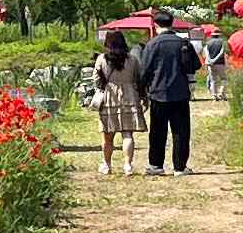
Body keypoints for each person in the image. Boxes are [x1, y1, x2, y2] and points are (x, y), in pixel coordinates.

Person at [136, 13, 204, 174]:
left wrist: (141, 92)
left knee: (157, 131)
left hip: (158, 93)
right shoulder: (183, 43)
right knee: (181, 131)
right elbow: (195, 65)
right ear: (171, 24)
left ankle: (156, 165)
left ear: (156, 25)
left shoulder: (152, 44)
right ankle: (179, 167)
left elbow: (144, 71)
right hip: (180, 93)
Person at [84, 23, 146, 175]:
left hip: (109, 97)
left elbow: (96, 80)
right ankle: (127, 165)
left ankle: (106, 164)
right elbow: (139, 79)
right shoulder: (132, 60)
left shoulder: (101, 59)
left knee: (108, 135)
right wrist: (143, 97)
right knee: (127, 134)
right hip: (129, 96)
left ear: (107, 43)